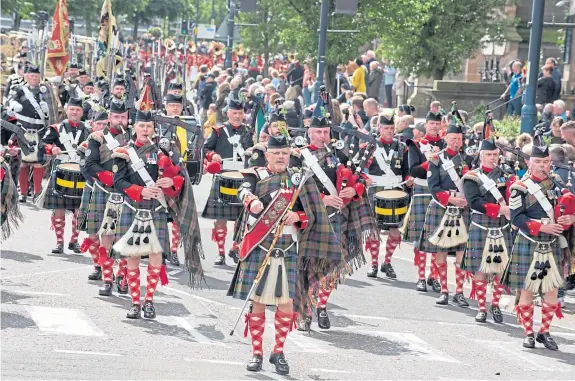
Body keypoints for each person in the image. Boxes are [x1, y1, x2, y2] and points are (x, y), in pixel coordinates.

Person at [227, 134, 340, 375]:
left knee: (286, 304)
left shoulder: (300, 179)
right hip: (260, 243)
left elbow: (314, 213)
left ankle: (278, 351)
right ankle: (256, 353)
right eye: (276, 153)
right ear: (267, 155)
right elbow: (243, 191)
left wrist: (298, 217)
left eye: (285, 153)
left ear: (289, 155)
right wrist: (252, 201)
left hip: (288, 245)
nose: (281, 157)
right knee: (257, 300)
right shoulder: (255, 175)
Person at [112, 108, 204, 319]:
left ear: (154, 129)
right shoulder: (123, 153)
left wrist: (172, 181)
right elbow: (118, 182)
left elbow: (181, 177)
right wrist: (140, 191)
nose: (145, 129)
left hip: (157, 209)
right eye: (142, 126)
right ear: (134, 128)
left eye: (149, 126)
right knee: (133, 255)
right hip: (134, 208)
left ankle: (149, 301)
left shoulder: (164, 152)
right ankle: (135, 302)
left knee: (156, 255)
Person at [292, 114, 376, 330]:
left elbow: (362, 180)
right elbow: (295, 188)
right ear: (309, 132)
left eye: (326, 132)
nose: (322, 136)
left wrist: (354, 190)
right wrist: (323, 198)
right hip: (310, 218)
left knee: (332, 267)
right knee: (310, 267)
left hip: (337, 218)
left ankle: (321, 306)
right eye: (318, 132)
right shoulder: (299, 156)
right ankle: (306, 311)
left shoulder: (339, 154)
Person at [506, 145, 566, 350]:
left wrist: (569, 218)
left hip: (551, 243)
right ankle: (528, 332)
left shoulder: (557, 184)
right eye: (538, 162)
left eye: (545, 162)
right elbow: (516, 218)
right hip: (529, 241)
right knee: (527, 290)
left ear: (550, 163)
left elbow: (564, 210)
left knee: (552, 290)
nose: (542, 166)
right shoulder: (519, 187)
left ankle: (545, 331)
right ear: (529, 163)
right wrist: (542, 226)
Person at [416, 121, 470, 306]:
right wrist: (450, 199)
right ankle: (444, 290)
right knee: (441, 250)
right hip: (442, 206)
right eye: (453, 138)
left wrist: (467, 200)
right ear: (445, 138)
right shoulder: (437, 159)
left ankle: (460, 292)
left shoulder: (469, 159)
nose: (456, 142)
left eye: (460, 139)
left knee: (462, 251)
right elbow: (433, 187)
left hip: (463, 208)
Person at [82, 101, 132, 294]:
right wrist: (112, 178)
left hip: (127, 193)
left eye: (123, 117)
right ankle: (107, 278)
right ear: (110, 117)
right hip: (105, 190)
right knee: (105, 237)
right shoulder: (97, 138)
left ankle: (123, 275)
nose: (120, 120)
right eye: (116, 117)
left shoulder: (134, 138)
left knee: (125, 237)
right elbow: (90, 165)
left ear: (127, 118)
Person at [462, 139, 511, 323]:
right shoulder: (471, 177)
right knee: (480, 267)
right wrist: (500, 210)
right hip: (481, 224)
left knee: (501, 267)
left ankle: (495, 304)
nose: (492, 158)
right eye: (488, 155)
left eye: (495, 155)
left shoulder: (506, 175)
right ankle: (482, 307)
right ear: (481, 156)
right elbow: (474, 202)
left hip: (502, 226)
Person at [203, 99, 253, 265]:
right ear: (228, 113)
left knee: (242, 217)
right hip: (223, 177)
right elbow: (206, 149)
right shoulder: (218, 131)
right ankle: (220, 252)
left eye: (240, 113)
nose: (237, 116)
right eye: (234, 113)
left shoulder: (248, 132)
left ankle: (236, 247)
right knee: (220, 218)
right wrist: (212, 156)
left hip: (243, 179)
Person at [38, 97, 91, 254]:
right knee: (59, 208)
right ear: (67, 110)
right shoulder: (56, 128)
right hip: (61, 171)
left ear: (82, 112)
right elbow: (41, 144)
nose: (74, 112)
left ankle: (74, 241)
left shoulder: (88, 130)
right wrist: (51, 148)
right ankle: (59, 242)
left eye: (78, 110)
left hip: (81, 173)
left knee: (78, 209)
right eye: (72, 109)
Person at [404, 112, 446, 292]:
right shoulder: (416, 145)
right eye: (431, 123)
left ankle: (433, 276)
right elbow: (414, 171)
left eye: (438, 123)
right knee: (420, 238)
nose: (435, 126)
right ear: (426, 125)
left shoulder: (447, 145)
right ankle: (420, 276)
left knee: (438, 238)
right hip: (422, 192)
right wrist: (431, 161)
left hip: (441, 194)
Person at [365, 113, 410, 279]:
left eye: (392, 128)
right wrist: (365, 178)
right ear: (379, 128)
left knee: (395, 231)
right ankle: (374, 264)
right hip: (376, 190)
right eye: (386, 128)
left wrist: (408, 179)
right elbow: (360, 167)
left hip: (396, 190)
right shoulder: (371, 146)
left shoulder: (401, 147)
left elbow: (406, 170)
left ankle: (387, 262)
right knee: (374, 230)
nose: (389, 131)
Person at [5, 65, 54, 203]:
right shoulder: (20, 90)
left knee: (38, 163)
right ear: (26, 76)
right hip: (24, 131)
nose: (34, 78)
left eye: (36, 76)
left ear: (40, 77)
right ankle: (23, 192)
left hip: (39, 132)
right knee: (23, 164)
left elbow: (52, 109)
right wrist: (14, 104)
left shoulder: (44, 90)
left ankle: (37, 192)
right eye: (31, 76)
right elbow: (11, 102)